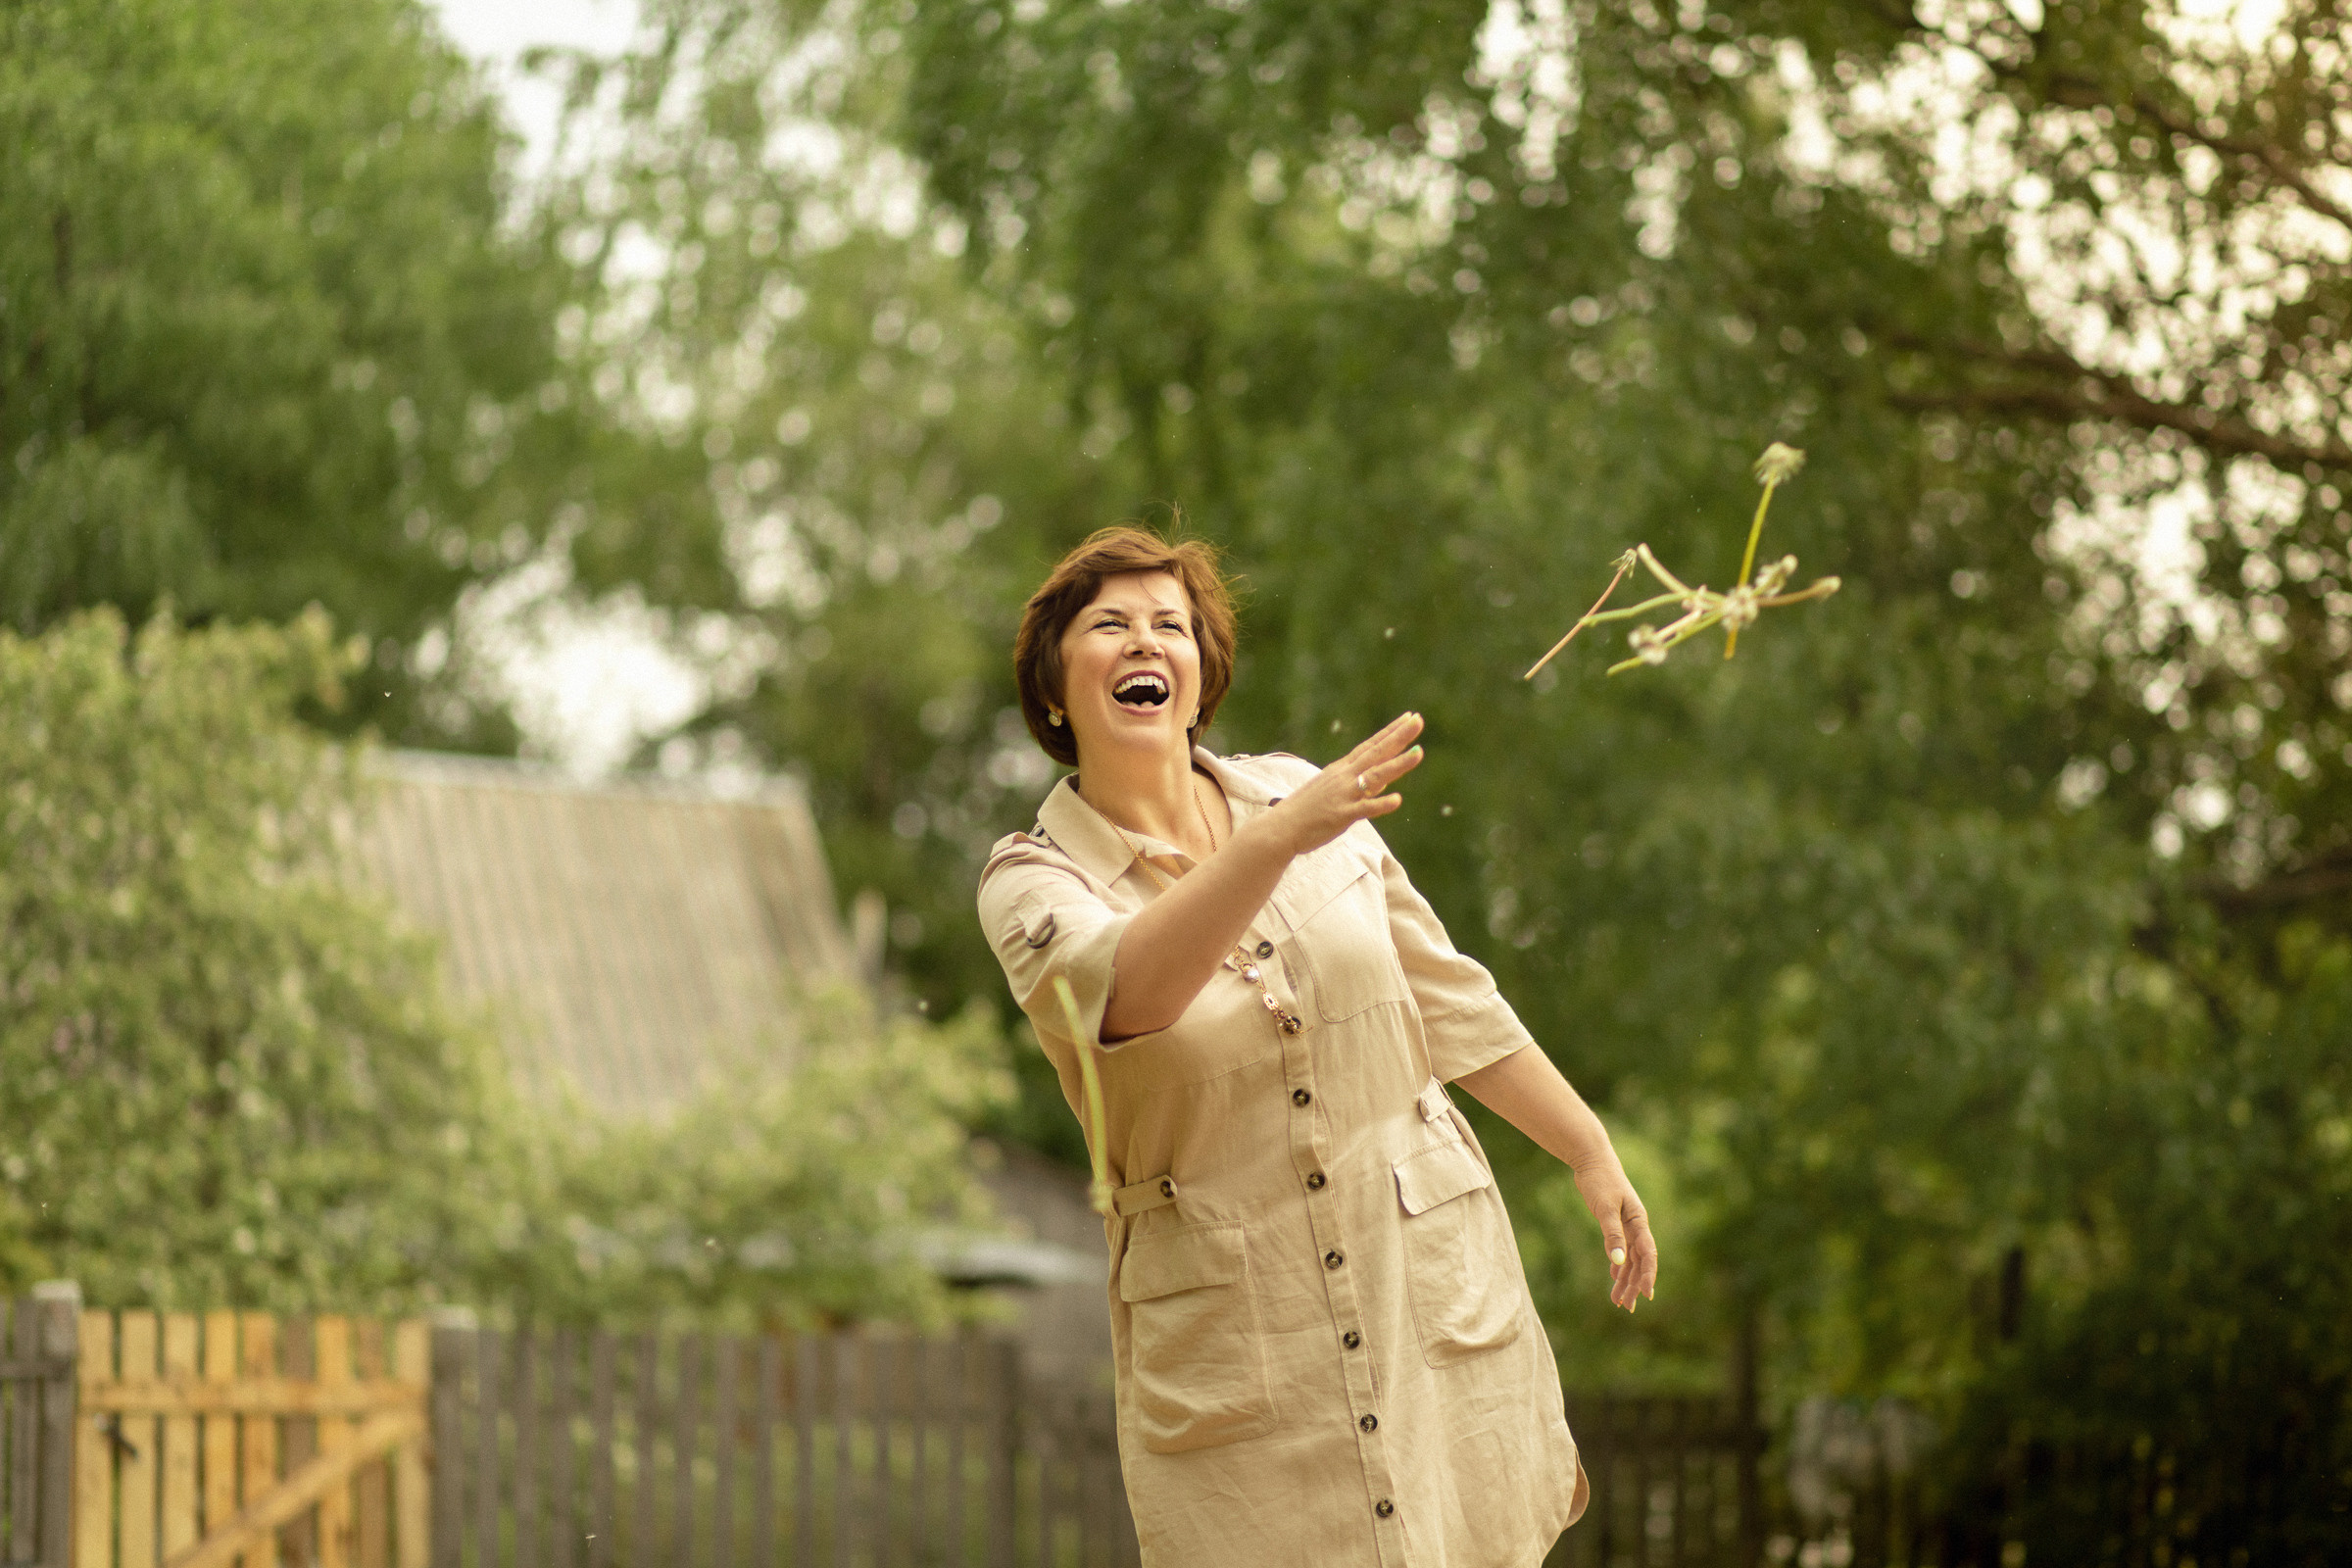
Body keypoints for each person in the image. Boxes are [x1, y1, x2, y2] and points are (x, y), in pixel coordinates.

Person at [977, 525, 1659, 1568]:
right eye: (1108, 626)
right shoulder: (1032, 883)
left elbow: (1448, 995)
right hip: (1240, 1341)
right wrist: (1279, 838)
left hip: (1418, 1285)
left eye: (1171, 624)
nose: (1144, 642)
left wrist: (1585, 1145)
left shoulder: (1302, 794)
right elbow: (1132, 990)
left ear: (1201, 677)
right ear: (1055, 692)